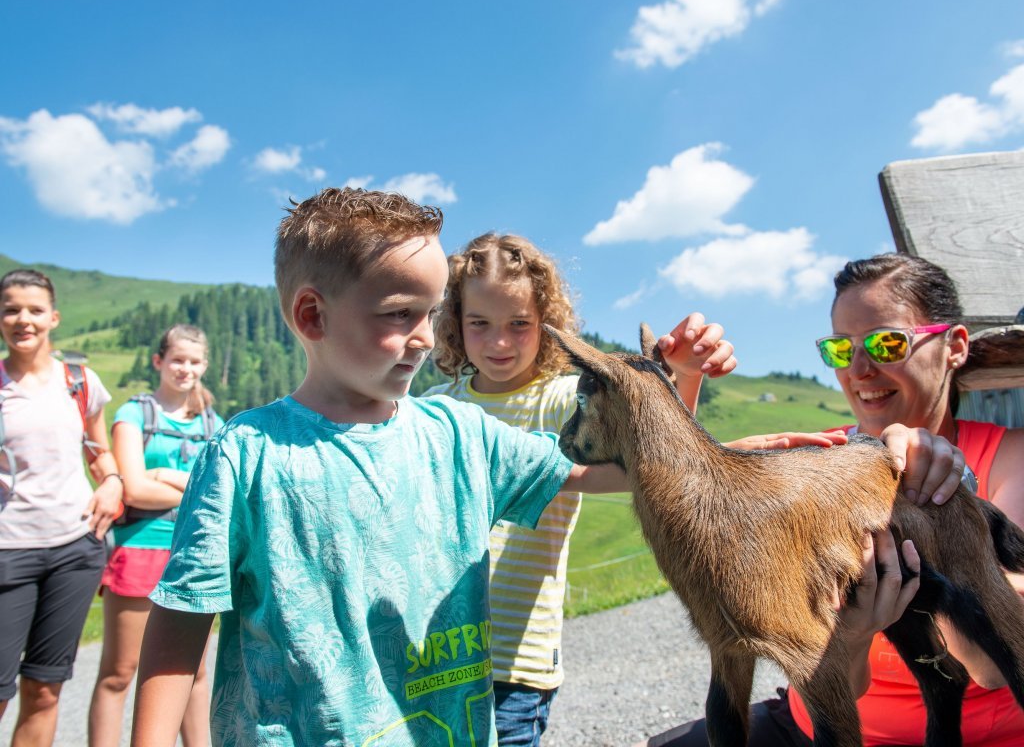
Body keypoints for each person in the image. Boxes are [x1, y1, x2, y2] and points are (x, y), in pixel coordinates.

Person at [131, 187, 643, 747]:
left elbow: (601, 472)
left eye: (430, 312)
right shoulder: (243, 454)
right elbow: (180, 624)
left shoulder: (460, 434)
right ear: (312, 316)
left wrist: (717, 452)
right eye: (400, 314)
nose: (425, 337)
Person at [643, 252, 1024, 747]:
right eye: (841, 351)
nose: (860, 369)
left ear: (953, 346)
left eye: (887, 343)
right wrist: (680, 382)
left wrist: (946, 507)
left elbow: (994, 666)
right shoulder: (817, 460)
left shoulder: (1007, 457)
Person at [426, 232, 736, 745]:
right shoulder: (436, 406)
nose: (499, 342)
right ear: (456, 324)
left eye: (519, 324)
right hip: (432, 651)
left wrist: (684, 376)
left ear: (548, 325)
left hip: (514, 658)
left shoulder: (565, 400)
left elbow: (648, 459)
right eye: (479, 324)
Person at [0, 269, 123, 747]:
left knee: (45, 689)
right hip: (8, 549)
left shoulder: (79, 382)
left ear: (53, 317)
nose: (22, 319)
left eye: (33, 310)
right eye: (11, 309)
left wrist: (112, 482)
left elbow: (100, 452)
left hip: (74, 548)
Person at [88, 324, 223, 747]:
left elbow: (219, 492)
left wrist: (165, 475)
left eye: (195, 361)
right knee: (119, 672)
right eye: (177, 360)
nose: (186, 369)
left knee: (195, 674)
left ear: (205, 366)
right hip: (140, 549)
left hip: (191, 552)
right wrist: (190, 485)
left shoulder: (211, 421)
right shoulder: (134, 414)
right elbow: (133, 489)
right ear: (158, 362)